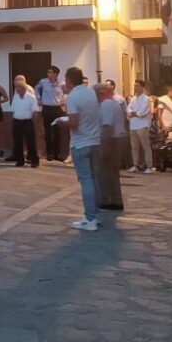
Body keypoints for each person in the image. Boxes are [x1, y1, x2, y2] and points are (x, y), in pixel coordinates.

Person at [53, 67, 101, 232]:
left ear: (69, 80)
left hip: (80, 142)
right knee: (94, 179)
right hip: (94, 140)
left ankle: (90, 218)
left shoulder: (73, 96)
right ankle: (94, 214)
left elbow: (73, 122)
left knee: (86, 180)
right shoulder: (90, 92)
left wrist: (61, 122)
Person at [96, 81, 125, 211]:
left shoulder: (106, 105)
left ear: (101, 93)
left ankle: (106, 199)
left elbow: (107, 126)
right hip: (116, 140)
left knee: (105, 171)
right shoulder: (112, 104)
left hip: (110, 141)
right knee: (112, 173)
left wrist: (103, 145)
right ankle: (115, 200)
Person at [9, 75, 40, 168]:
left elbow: (36, 111)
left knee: (31, 142)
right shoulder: (16, 97)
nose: (17, 89)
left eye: (18, 87)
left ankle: (34, 160)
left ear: (23, 88)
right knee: (17, 142)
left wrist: (34, 121)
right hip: (17, 121)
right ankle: (19, 160)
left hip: (27, 121)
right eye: (16, 87)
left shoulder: (31, 97)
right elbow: (13, 109)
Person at [36, 66, 65, 162]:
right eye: (48, 72)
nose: (48, 74)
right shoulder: (43, 82)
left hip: (57, 109)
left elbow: (65, 93)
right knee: (48, 132)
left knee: (57, 132)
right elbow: (36, 88)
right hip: (47, 108)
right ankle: (49, 153)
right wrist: (39, 98)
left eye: (50, 72)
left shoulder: (61, 83)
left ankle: (57, 154)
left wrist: (63, 101)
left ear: (55, 74)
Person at [127, 80, 153, 173]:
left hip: (142, 125)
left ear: (142, 87)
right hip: (133, 125)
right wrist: (132, 113)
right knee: (134, 147)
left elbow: (142, 112)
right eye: (134, 86)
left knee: (145, 146)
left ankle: (149, 166)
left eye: (137, 86)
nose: (135, 87)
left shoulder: (146, 98)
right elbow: (128, 109)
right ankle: (135, 165)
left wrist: (134, 113)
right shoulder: (133, 98)